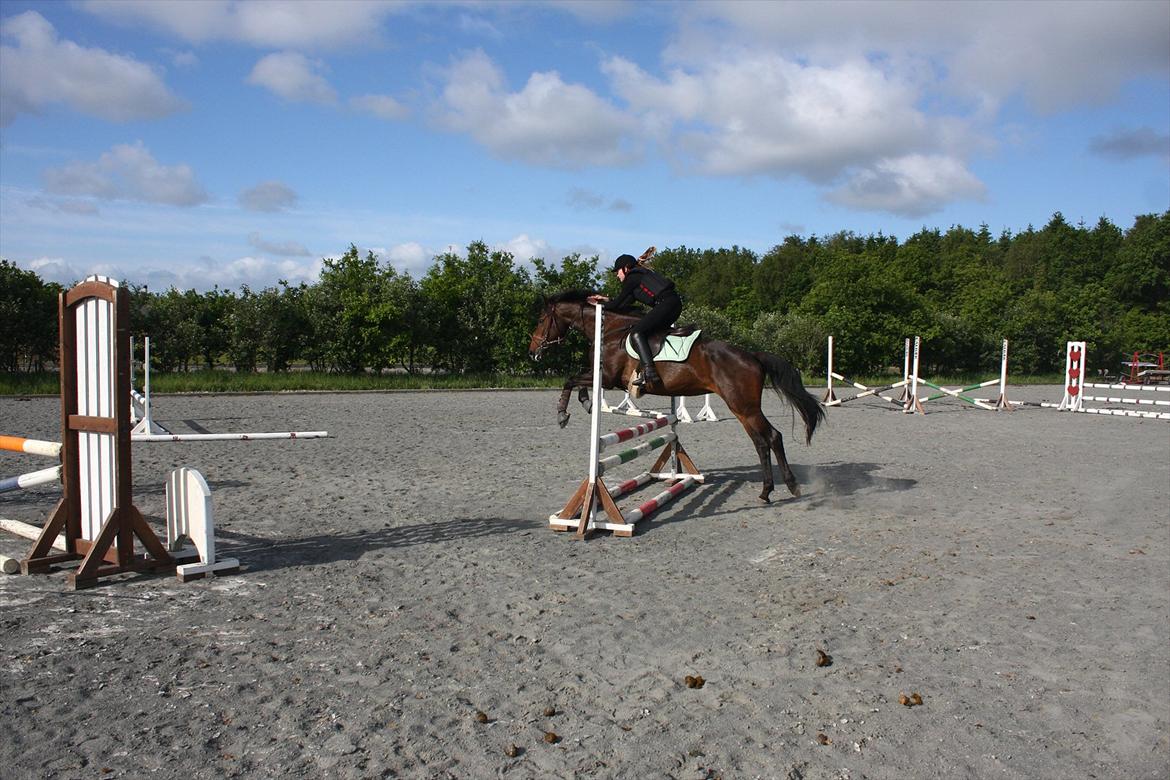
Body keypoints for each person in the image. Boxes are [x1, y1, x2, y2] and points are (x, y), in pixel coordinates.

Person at [587, 254, 682, 387]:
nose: (617, 275)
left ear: (626, 268)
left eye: (618, 271)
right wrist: (605, 300)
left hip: (666, 304)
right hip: (673, 304)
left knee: (636, 333)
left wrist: (597, 305)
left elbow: (616, 305)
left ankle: (650, 372)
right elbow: (623, 304)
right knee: (650, 333)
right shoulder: (638, 279)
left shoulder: (632, 278)